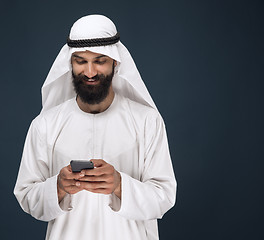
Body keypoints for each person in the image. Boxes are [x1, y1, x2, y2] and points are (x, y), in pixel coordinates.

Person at [14, 14, 176, 240]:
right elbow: (26, 195)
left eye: (100, 61)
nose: (90, 72)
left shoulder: (147, 121)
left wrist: (120, 185)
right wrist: (58, 187)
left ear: (115, 63)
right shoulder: (45, 125)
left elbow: (165, 196)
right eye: (81, 61)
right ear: (70, 63)